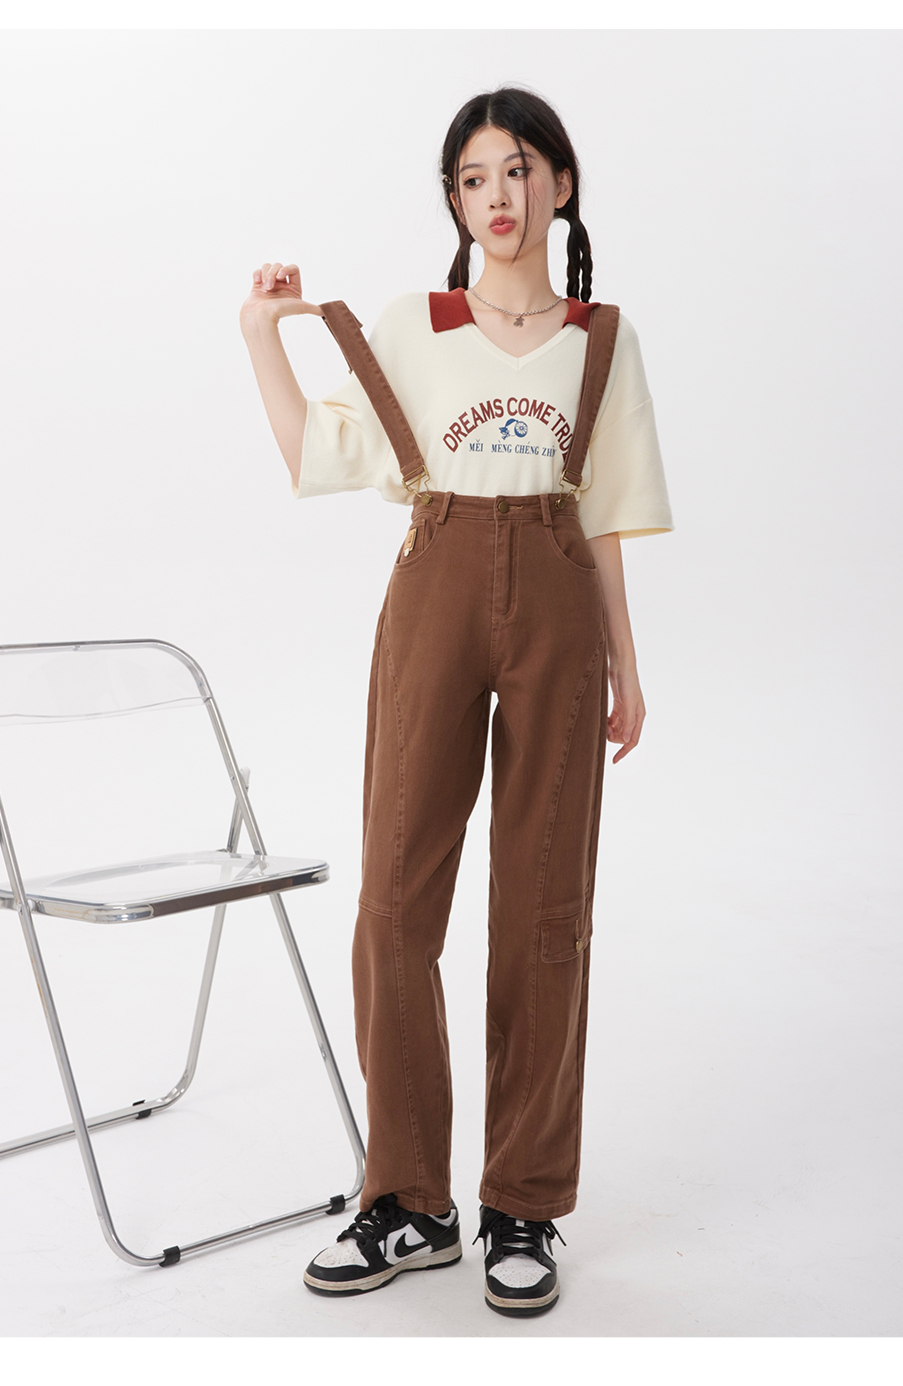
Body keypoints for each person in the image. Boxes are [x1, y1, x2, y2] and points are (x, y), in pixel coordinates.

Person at [239, 86, 674, 1318]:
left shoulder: (602, 338)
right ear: (453, 199)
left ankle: (522, 1202)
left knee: (545, 909)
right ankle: (410, 1200)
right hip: (433, 586)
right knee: (395, 897)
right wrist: (261, 333)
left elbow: (605, 514)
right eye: (475, 177)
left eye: (519, 170)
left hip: (559, 599)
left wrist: (627, 663)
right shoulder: (414, 327)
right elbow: (314, 455)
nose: (499, 196)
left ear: (561, 186)